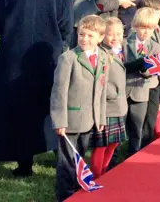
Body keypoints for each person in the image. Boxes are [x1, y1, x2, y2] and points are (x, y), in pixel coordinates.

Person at [0, 0, 72, 176]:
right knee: (47, 105)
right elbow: (66, 26)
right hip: (46, 55)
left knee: (17, 107)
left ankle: (24, 161)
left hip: (13, 55)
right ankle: (54, 152)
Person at [50, 14, 108, 202]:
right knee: (66, 161)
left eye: (91, 36)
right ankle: (64, 195)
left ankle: (76, 190)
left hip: (89, 119)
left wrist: (100, 118)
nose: (85, 39)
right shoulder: (68, 58)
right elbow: (59, 92)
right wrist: (60, 120)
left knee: (80, 157)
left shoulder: (104, 58)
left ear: (100, 38)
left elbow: (101, 90)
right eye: (82, 34)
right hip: (70, 121)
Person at [90, 17, 127, 177]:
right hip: (107, 106)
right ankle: (96, 174)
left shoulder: (117, 51)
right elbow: (99, 79)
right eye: (111, 34)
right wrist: (114, 92)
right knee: (102, 145)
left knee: (114, 142)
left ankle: (104, 171)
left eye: (119, 34)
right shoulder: (102, 54)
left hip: (118, 105)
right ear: (102, 35)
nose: (115, 38)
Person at [123, 8, 160, 154]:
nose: (145, 32)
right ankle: (113, 160)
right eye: (142, 27)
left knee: (137, 127)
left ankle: (134, 153)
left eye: (149, 28)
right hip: (124, 90)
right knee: (120, 127)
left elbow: (153, 72)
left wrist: (146, 70)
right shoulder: (124, 43)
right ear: (135, 26)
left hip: (141, 93)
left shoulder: (155, 47)